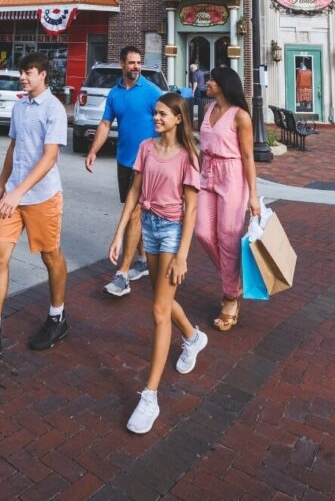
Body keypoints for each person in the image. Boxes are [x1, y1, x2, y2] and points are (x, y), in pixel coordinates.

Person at [0, 52, 70, 365]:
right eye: (22, 72)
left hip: (42, 197)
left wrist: (18, 192)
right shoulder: (19, 106)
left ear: (43, 74)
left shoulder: (54, 109)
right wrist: (1, 185)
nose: (23, 77)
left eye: (29, 72)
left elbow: (49, 158)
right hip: (14, 196)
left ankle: (57, 318)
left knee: (51, 257)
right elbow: (14, 147)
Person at [108, 93, 204, 434]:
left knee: (159, 311)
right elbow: (134, 193)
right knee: (161, 301)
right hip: (148, 226)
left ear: (178, 118)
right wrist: (119, 235)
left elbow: (191, 209)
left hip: (173, 232)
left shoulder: (187, 156)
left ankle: (150, 396)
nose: (157, 118)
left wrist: (183, 255)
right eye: (156, 113)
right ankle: (193, 337)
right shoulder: (147, 148)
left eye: (163, 114)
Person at [86, 47, 163, 297]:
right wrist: (93, 151)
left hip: (147, 164)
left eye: (139, 63)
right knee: (134, 216)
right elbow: (106, 124)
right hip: (124, 161)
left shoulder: (152, 92)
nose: (136, 67)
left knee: (133, 214)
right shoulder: (115, 94)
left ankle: (123, 274)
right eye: (131, 63)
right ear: (122, 64)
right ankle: (141, 261)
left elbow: (169, 120)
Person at [195, 66, 261, 332]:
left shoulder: (240, 116)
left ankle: (230, 297)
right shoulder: (209, 109)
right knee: (202, 232)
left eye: (212, 79)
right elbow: (202, 146)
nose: (207, 82)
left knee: (228, 236)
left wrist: (253, 195)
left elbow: (248, 157)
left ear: (223, 84)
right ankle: (233, 282)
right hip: (207, 174)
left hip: (232, 175)